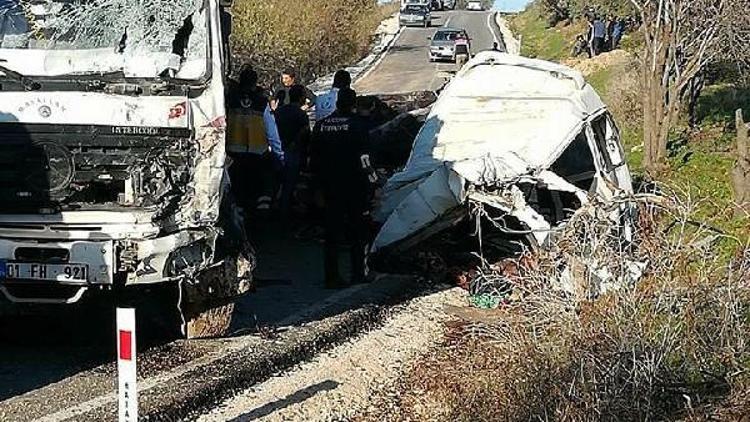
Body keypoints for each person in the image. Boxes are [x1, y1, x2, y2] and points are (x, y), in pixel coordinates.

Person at [310, 88, 375, 288]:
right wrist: (374, 182)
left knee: (332, 234)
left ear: (337, 102)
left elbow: (313, 160)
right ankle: (358, 273)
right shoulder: (358, 126)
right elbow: (365, 160)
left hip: (329, 187)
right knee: (358, 232)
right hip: (355, 187)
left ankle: (331, 276)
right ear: (353, 104)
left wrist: (317, 187)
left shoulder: (321, 126)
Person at [226, 65, 284, 216]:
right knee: (259, 190)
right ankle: (261, 214)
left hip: (234, 154)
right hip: (258, 153)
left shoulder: (229, 100)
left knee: (238, 192)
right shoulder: (261, 101)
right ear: (255, 82)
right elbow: (272, 131)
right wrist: (279, 154)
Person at [275, 85, 311, 220]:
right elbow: (305, 135)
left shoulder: (279, 112)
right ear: (301, 97)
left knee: (277, 184)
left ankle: (275, 211)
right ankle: (285, 215)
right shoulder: (300, 114)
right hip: (294, 152)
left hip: (278, 151)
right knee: (289, 186)